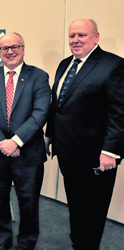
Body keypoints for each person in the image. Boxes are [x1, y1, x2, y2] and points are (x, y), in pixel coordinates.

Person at [45, 18, 124, 250]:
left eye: (82, 35)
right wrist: (49, 135)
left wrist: (110, 151)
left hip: (97, 156)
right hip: (68, 152)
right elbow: (56, 105)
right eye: (72, 36)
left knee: (94, 209)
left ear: (96, 37)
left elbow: (120, 112)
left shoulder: (114, 65)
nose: (76, 40)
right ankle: (79, 243)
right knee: (77, 206)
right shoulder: (65, 64)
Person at [0, 32, 50, 250]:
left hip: (28, 155)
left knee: (28, 204)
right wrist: (3, 143)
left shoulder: (39, 76)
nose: (9, 52)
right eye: (4, 48)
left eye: (14, 47)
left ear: (23, 49)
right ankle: (2, 241)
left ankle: (26, 244)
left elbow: (40, 113)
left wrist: (16, 141)